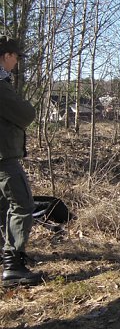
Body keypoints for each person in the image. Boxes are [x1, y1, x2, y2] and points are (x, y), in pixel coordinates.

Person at [0, 35, 43, 287]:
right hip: (4, 157)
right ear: (7, 56)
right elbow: (26, 114)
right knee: (22, 204)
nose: (16, 63)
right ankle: (13, 266)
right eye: (15, 57)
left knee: (3, 207)